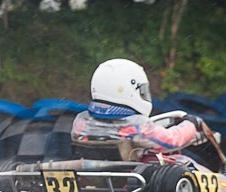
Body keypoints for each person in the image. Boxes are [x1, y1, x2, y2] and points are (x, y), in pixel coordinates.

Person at [71, 58, 204, 159]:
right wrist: (190, 123)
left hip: (92, 177)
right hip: (128, 183)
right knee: (182, 161)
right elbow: (171, 141)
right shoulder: (137, 126)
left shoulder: (81, 122)